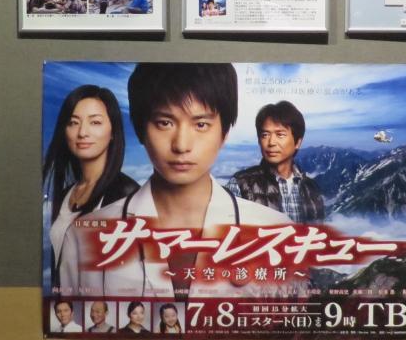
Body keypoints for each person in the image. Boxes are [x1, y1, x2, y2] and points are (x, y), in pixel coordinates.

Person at [57, 63, 288, 299]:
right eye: (164, 123)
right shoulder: (82, 238)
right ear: (140, 130)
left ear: (225, 133)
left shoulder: (277, 233)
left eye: (201, 125)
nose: (181, 145)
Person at [44, 84, 140, 293]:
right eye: (73, 122)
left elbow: (133, 283)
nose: (82, 132)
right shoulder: (67, 194)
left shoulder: (128, 195)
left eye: (95, 122)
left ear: (113, 132)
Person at [229, 100, 326, 223]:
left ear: (297, 142)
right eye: (265, 135)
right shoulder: (240, 185)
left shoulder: (311, 188)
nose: (271, 142)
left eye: (280, 135)